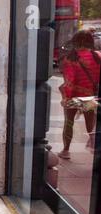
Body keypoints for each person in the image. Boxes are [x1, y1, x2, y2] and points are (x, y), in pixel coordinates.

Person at [58, 30, 101, 159]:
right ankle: (95, 147)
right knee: (90, 125)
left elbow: (69, 82)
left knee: (69, 123)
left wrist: (65, 97)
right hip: (89, 97)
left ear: (75, 42)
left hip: (73, 97)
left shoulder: (71, 58)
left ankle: (66, 150)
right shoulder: (97, 56)